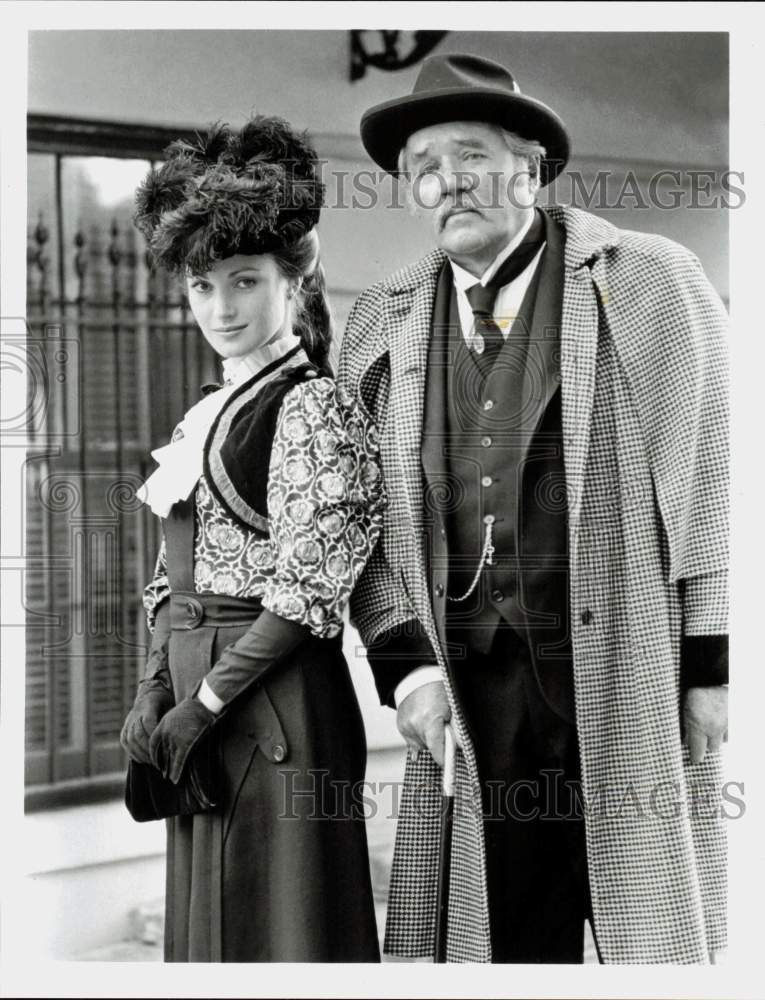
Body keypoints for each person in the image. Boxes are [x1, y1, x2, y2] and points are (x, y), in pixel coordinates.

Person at [338, 54, 728, 964]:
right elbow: (356, 526)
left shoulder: (648, 281)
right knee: (506, 943)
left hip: (630, 665)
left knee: (653, 935)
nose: (446, 182)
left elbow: (715, 479)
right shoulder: (383, 319)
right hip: (475, 693)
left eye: (469, 155)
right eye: (423, 167)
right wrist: (407, 671)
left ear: (530, 167)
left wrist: (711, 664)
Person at [120, 116, 383, 963]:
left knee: (280, 932)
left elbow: (308, 593)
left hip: (274, 704)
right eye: (203, 287)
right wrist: (154, 690)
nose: (221, 308)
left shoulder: (313, 407)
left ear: (292, 283)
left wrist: (202, 703)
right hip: (200, 703)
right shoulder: (208, 411)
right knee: (212, 937)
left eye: (243, 282)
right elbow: (172, 580)